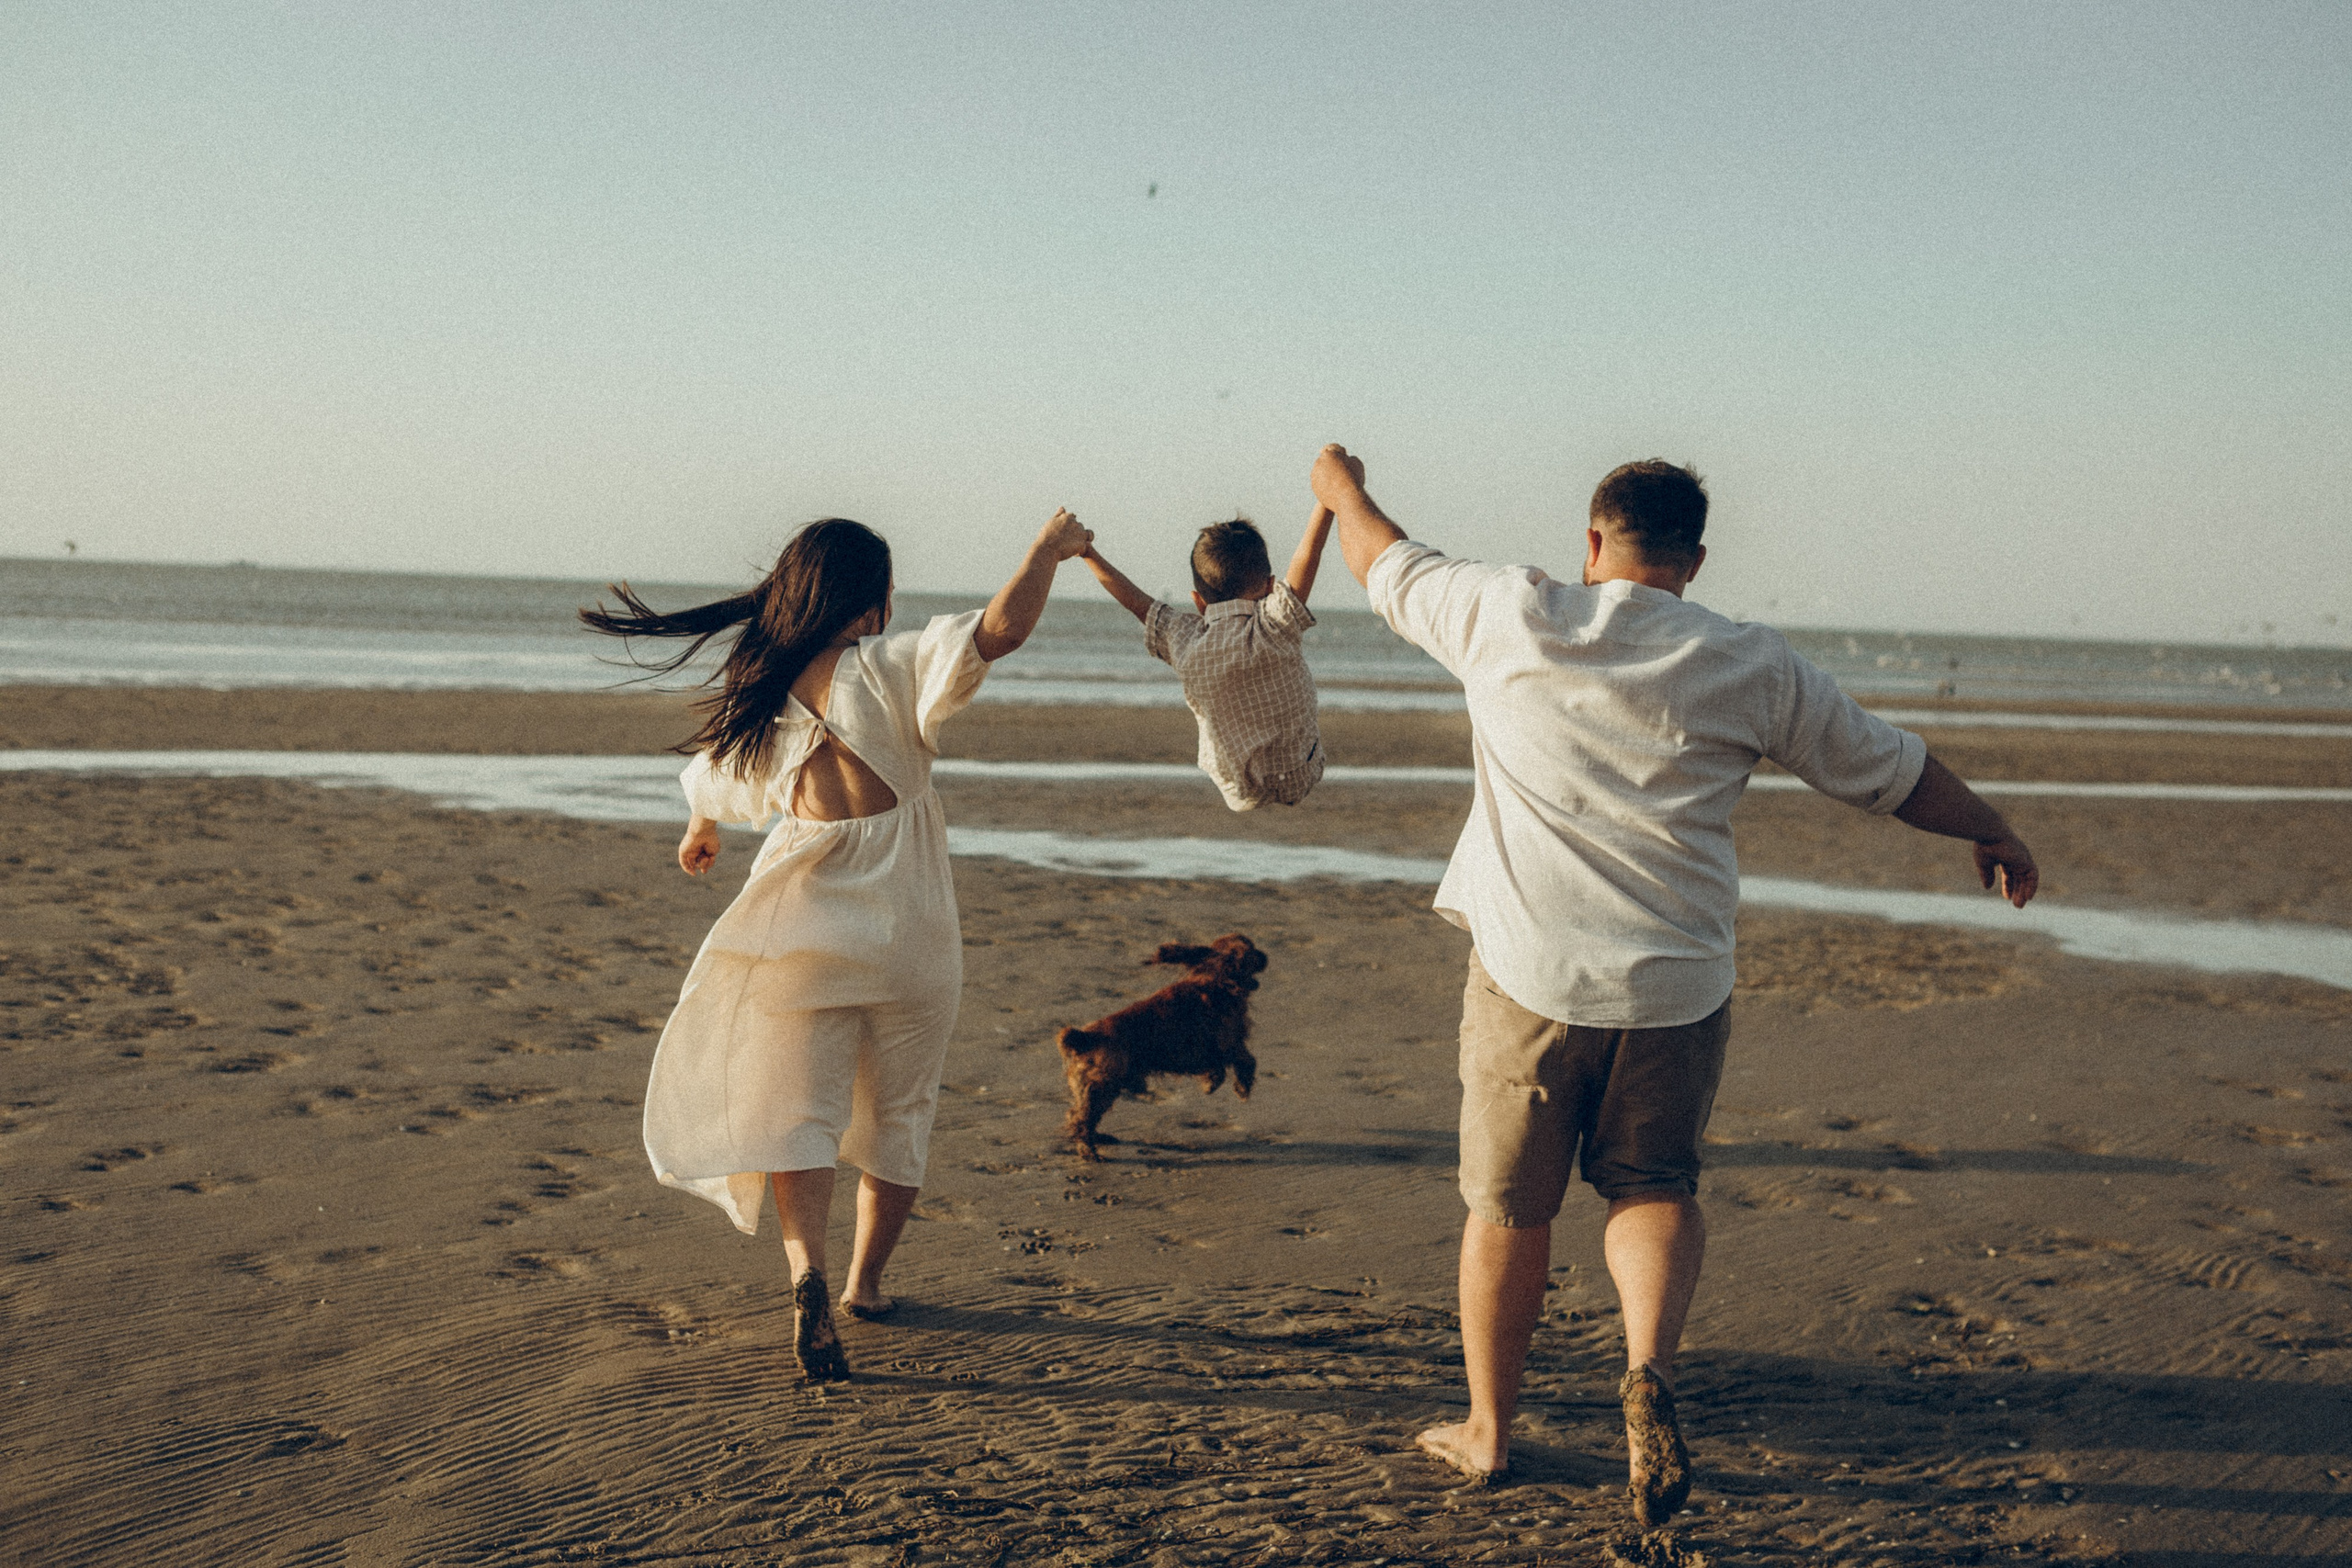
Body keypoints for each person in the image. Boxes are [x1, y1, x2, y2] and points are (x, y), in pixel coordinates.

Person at [1307, 445, 2039, 1523]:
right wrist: (1993, 828)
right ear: (1693, 561)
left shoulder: (1507, 613)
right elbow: (1887, 769)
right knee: (1652, 1185)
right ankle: (1645, 1369)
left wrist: (1337, 489)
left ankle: (1490, 1432)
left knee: (1509, 1208)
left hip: (1530, 975)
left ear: (1591, 541)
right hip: (1676, 983)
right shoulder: (1750, 662)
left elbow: (1383, 558)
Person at [580, 508, 1094, 1382]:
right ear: (866, 602)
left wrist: (701, 827)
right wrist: (1045, 552)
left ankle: (806, 1273)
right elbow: (996, 632)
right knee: (900, 1113)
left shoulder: (766, 692)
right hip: (911, 921)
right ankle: (866, 1284)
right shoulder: (886, 667)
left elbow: (713, 779)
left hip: (803, 917)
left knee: (800, 1112)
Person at [1079, 508, 1334, 810]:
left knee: (1224, 752)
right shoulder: (1275, 623)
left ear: (1198, 601)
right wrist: (1329, 499)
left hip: (1235, 786)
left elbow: (1137, 603)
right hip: (1299, 772)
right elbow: (1309, 555)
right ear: (1269, 586)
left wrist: (1087, 552)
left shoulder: (1186, 640)